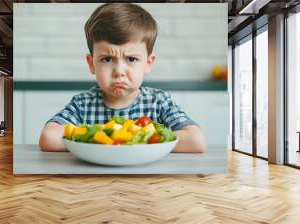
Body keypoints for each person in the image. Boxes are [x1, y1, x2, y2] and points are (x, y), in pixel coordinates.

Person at [39, 3, 206, 153]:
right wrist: (103, 135)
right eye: (107, 59)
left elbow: (196, 140)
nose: (119, 71)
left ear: (148, 63)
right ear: (91, 64)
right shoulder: (83, 103)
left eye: (131, 59)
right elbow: (49, 138)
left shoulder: (158, 102)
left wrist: (136, 135)